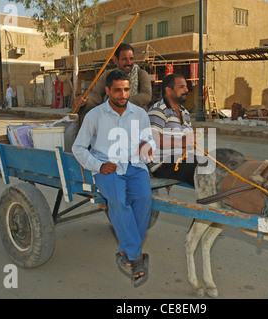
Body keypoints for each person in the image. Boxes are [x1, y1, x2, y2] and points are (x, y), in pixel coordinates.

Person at [72, 70, 155, 287]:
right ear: (108, 91)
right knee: (118, 202)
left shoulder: (140, 114)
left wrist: (147, 146)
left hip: (135, 166)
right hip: (108, 168)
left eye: (126, 89)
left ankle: (124, 250)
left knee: (145, 200)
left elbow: (149, 139)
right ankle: (136, 258)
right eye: (117, 90)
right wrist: (99, 165)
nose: (122, 94)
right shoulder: (95, 115)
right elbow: (78, 148)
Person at [74, 43, 152, 124]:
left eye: (131, 59)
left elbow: (146, 95)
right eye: (124, 59)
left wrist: (122, 104)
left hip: (135, 117)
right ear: (115, 60)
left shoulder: (141, 74)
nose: (129, 62)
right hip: (111, 116)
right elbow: (96, 95)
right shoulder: (108, 75)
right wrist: (84, 100)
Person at [147, 74, 198, 186]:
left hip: (182, 159)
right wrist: (182, 142)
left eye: (186, 86)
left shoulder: (185, 112)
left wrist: (191, 142)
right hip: (163, 164)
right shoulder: (159, 110)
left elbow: (186, 140)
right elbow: (153, 140)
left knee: (218, 159)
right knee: (204, 169)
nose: (186, 90)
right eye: (181, 87)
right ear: (168, 90)